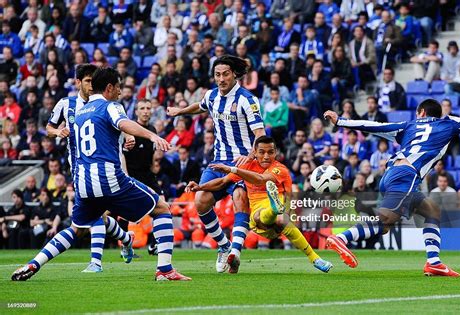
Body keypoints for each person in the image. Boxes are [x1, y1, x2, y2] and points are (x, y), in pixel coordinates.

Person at [12, 67, 190, 281]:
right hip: (108, 178)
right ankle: (165, 270)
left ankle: (34, 263)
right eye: (119, 87)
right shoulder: (111, 106)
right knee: (162, 209)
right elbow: (123, 123)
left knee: (77, 228)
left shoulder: (78, 115)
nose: (120, 91)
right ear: (109, 87)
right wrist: (152, 136)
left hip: (83, 182)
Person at [324, 98, 460, 277]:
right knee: (385, 220)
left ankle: (434, 262)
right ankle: (340, 238)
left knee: (431, 210)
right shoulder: (449, 123)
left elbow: (374, 126)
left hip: (391, 174)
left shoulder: (408, 126)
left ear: (422, 113)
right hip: (406, 175)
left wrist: (341, 121)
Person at [167, 55, 266, 273]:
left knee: (240, 199)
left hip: (243, 163)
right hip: (218, 160)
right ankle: (224, 245)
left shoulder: (247, 100)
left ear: (235, 75)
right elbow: (199, 106)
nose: (221, 79)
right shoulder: (212, 96)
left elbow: (260, 134)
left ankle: (235, 253)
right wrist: (179, 111)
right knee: (201, 201)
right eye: (217, 75)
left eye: (225, 74)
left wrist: (249, 157)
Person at [186, 136, 333, 273]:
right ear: (254, 152)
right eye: (261, 152)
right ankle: (274, 211)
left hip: (283, 212)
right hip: (260, 214)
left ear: (276, 153)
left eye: (270, 152)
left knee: (282, 219)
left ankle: (316, 259)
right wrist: (200, 187)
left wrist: (234, 169)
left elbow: (261, 180)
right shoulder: (248, 165)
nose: (266, 156)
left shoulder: (279, 169)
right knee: (261, 216)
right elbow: (222, 182)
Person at [45, 64, 133, 273]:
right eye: (87, 81)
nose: (92, 84)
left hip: (103, 167)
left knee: (96, 215)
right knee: (98, 216)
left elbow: (122, 125)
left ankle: (96, 262)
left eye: (94, 80)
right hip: (78, 170)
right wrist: (58, 132)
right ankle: (125, 238)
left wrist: (129, 137)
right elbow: (48, 128)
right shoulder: (66, 104)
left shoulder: (106, 104)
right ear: (78, 82)